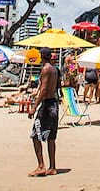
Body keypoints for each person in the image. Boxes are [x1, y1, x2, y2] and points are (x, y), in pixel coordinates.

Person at [29, 47, 60, 177]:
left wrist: (34, 107)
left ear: (42, 56)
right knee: (51, 138)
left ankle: (41, 166)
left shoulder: (46, 69)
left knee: (36, 136)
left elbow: (44, 89)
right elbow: (56, 86)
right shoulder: (55, 70)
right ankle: (52, 167)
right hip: (54, 104)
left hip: (47, 105)